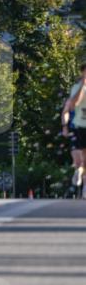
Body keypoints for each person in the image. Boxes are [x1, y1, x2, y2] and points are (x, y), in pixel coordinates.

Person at [63, 63, 86, 197]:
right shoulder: (77, 88)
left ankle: (84, 187)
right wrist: (65, 126)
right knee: (79, 160)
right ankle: (78, 170)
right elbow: (71, 106)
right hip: (78, 127)